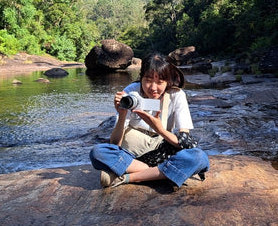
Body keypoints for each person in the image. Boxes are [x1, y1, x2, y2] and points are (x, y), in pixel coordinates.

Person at [89, 52, 209, 188]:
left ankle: (128, 177)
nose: (153, 88)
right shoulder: (131, 93)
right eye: (148, 80)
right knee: (97, 153)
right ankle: (163, 173)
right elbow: (115, 144)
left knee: (199, 157)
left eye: (160, 82)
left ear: (168, 80)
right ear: (141, 78)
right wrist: (122, 115)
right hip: (133, 156)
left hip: (162, 152)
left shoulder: (176, 95)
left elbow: (186, 143)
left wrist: (160, 130)